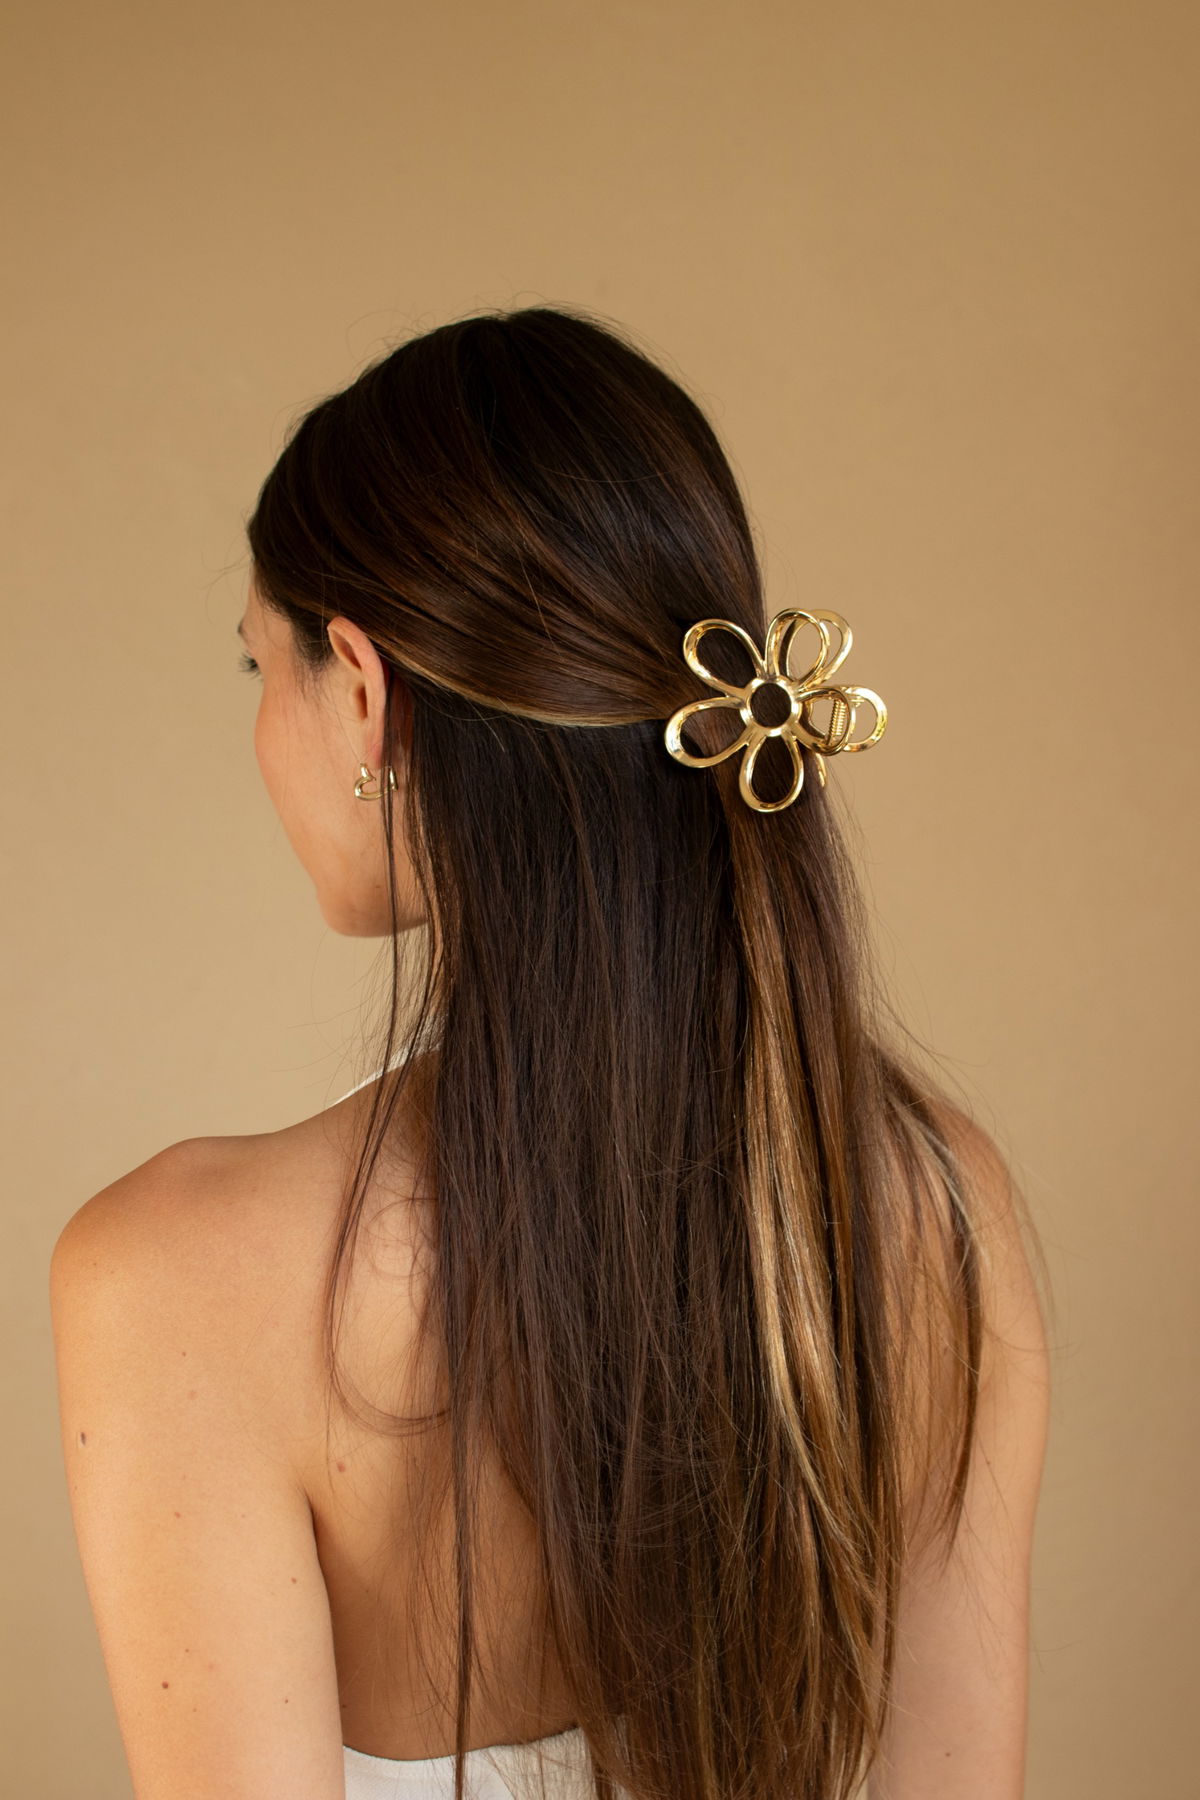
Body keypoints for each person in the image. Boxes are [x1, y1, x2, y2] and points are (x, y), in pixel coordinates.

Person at [49, 305, 1051, 1800]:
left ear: (363, 689)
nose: (264, 728)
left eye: (256, 666)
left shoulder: (175, 1280)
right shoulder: (931, 1201)